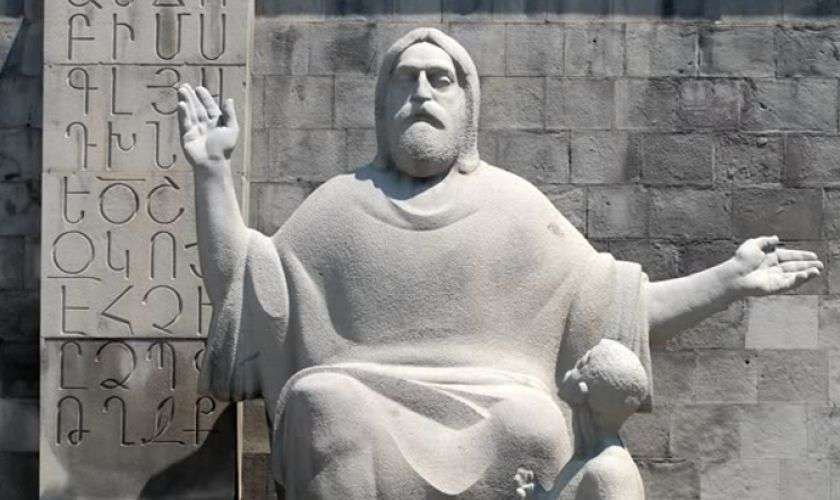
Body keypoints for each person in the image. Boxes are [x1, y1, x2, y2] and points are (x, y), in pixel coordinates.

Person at [176, 27, 822, 499]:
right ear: (382, 104)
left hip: (494, 410)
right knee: (321, 403)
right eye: (406, 79)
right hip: (360, 402)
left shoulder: (515, 207)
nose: (421, 92)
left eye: (440, 80)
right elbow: (246, 293)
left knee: (532, 419)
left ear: (468, 106)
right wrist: (211, 174)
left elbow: (616, 312)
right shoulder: (338, 207)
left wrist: (729, 280)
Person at [514, 339, 648, 499]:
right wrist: (537, 495)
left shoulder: (610, 471)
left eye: (581, 365)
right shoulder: (587, 457)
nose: (571, 369)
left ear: (582, 392)